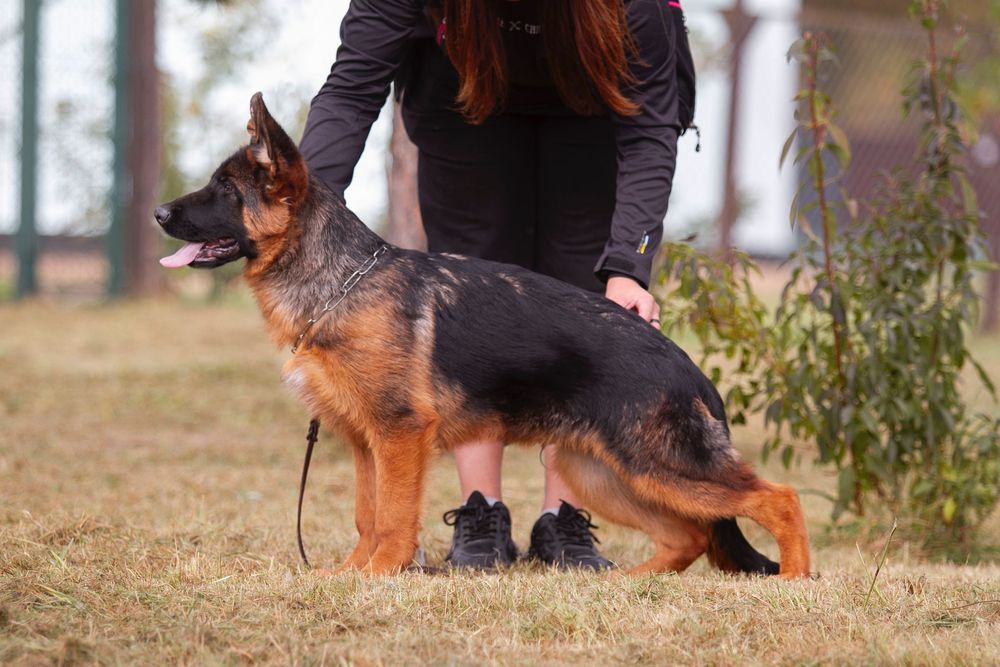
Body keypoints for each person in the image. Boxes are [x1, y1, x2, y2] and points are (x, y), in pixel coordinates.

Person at [299, 0, 695, 570]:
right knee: (467, 299)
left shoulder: (634, 7)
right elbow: (351, 89)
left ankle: (564, 518)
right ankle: (481, 512)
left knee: (583, 296)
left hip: (597, 100)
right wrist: (307, 209)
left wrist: (628, 268)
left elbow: (651, 128)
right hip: (462, 98)